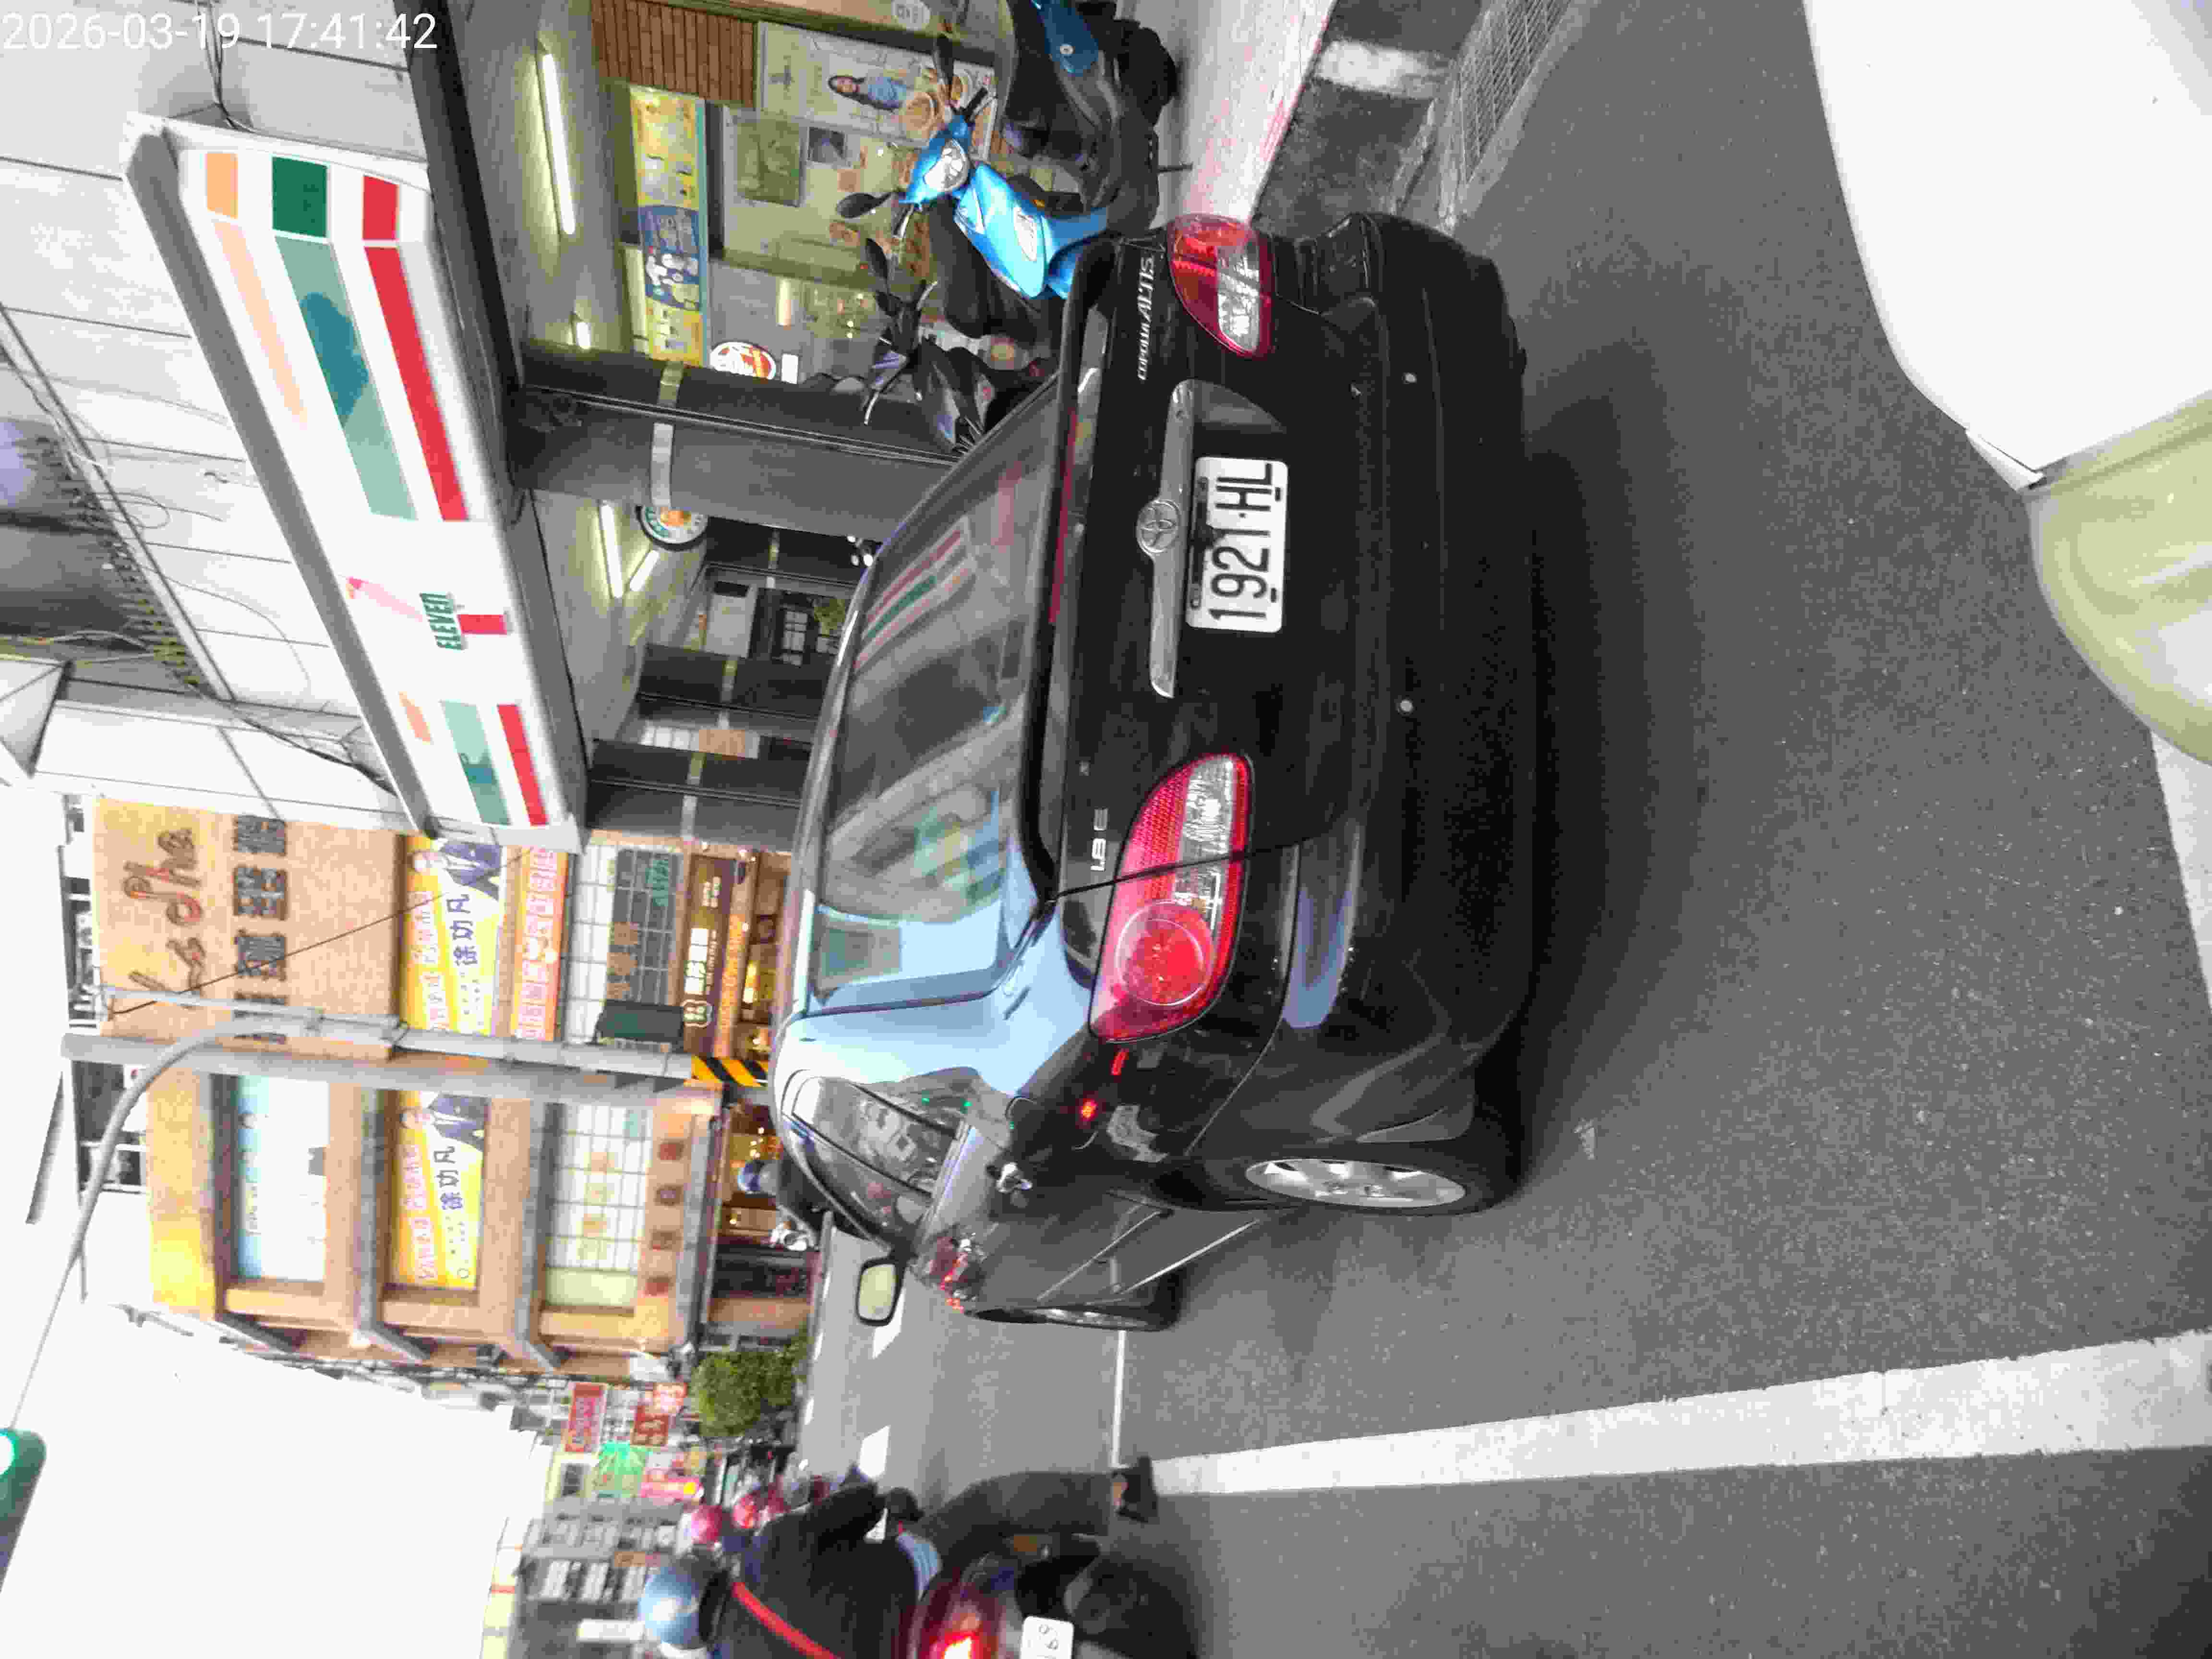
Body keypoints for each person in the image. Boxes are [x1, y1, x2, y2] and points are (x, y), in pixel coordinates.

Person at [707, 1462, 1149, 1659]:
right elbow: (863, 1504)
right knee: (989, 1504)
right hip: (915, 1580)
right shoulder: (768, 1550)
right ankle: (1119, 1494)